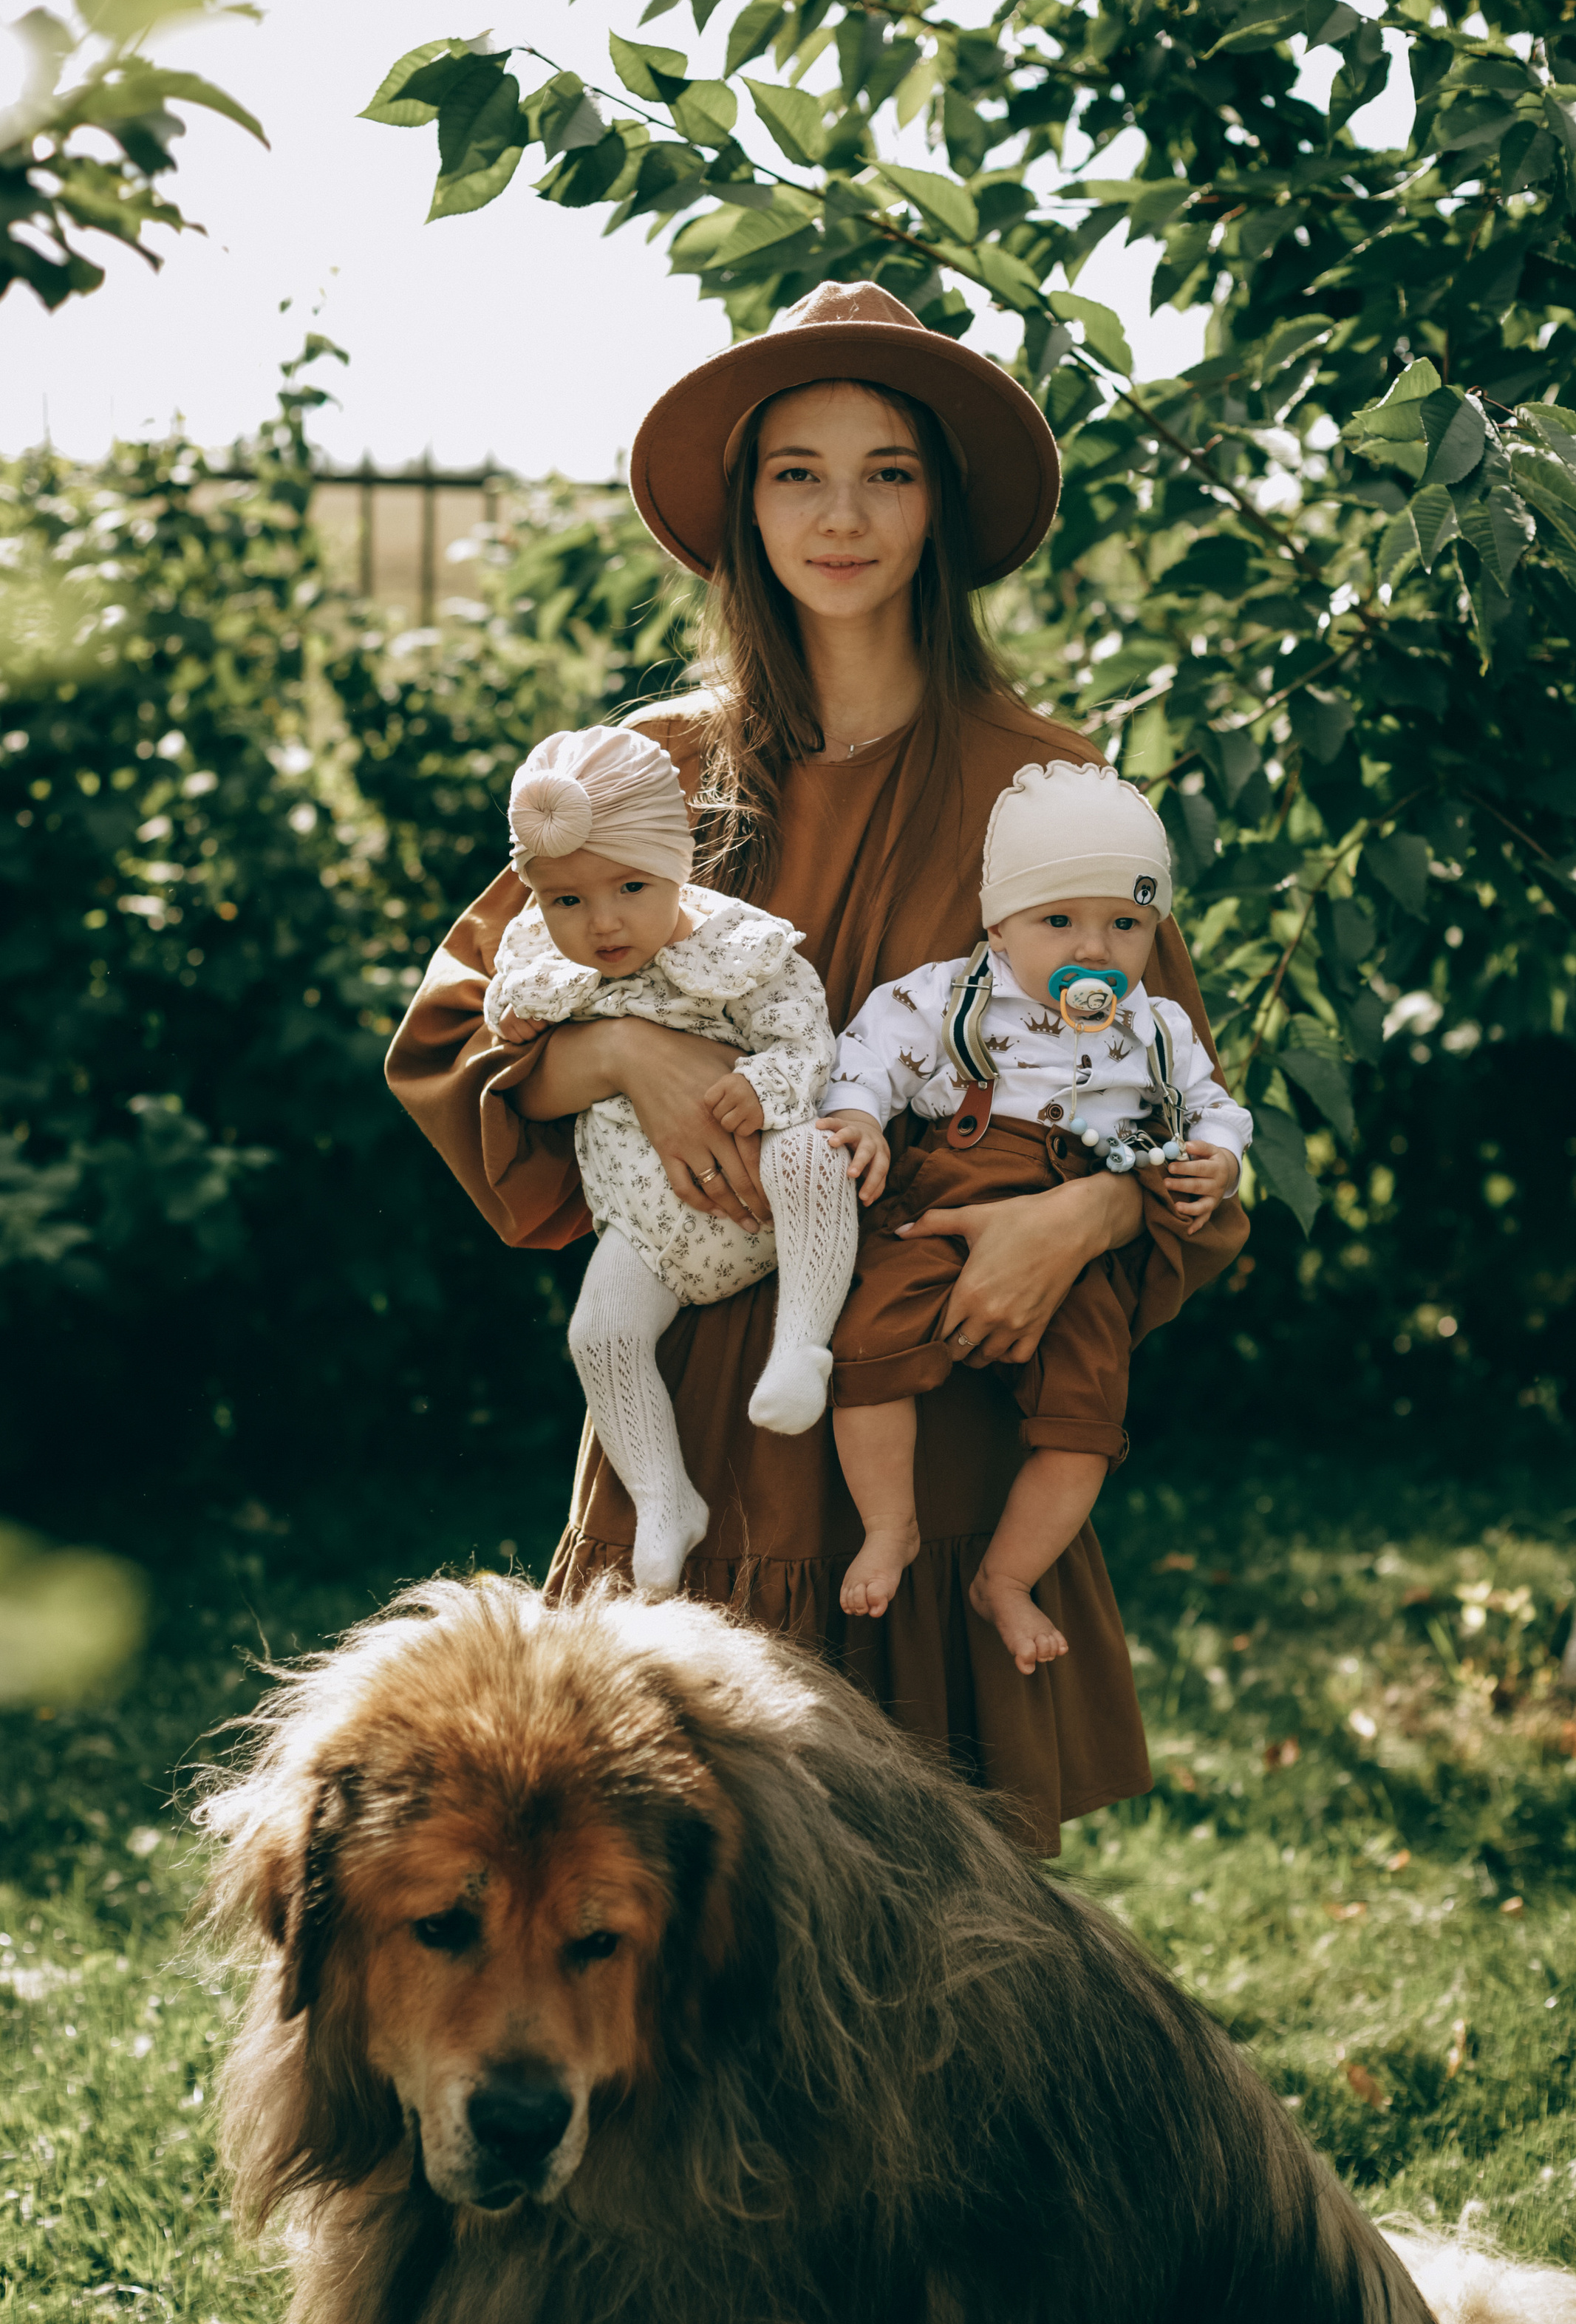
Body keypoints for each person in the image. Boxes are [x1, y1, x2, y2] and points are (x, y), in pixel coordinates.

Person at [386, 279, 1249, 1853]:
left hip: (941, 1403)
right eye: (796, 469)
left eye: (887, 471)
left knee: (948, 1941)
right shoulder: (646, 774)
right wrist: (619, 1051)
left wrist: (1094, 1221)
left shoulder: (1042, 789)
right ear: (742, 505)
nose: (839, 514)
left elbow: (1178, 1126)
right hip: (704, 1405)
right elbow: (452, 1033)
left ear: (939, 505)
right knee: (657, 1906)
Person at [817, 757, 1252, 1670]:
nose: (1094, 950)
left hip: (1080, 1214)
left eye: (1125, 925)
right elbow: (869, 1051)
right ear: (999, 923)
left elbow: (1213, 1107)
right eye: (1058, 921)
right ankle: (889, 1525)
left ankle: (1006, 1578)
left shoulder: (1157, 1028)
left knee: (1087, 1420)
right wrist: (859, 1115)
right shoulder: (951, 994)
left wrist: (1220, 1156)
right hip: (956, 1185)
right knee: (866, 1348)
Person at [485, 725, 856, 1592]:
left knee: (814, 1157)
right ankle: (663, 1497)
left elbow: (809, 1046)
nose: (602, 921)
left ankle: (801, 1342)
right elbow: (504, 1021)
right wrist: (520, 1013)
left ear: (680, 861)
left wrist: (763, 1089)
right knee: (599, 1335)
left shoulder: (738, 948)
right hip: (649, 1225)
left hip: (765, 1192)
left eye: (630, 888)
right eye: (565, 901)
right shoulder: (543, 959)